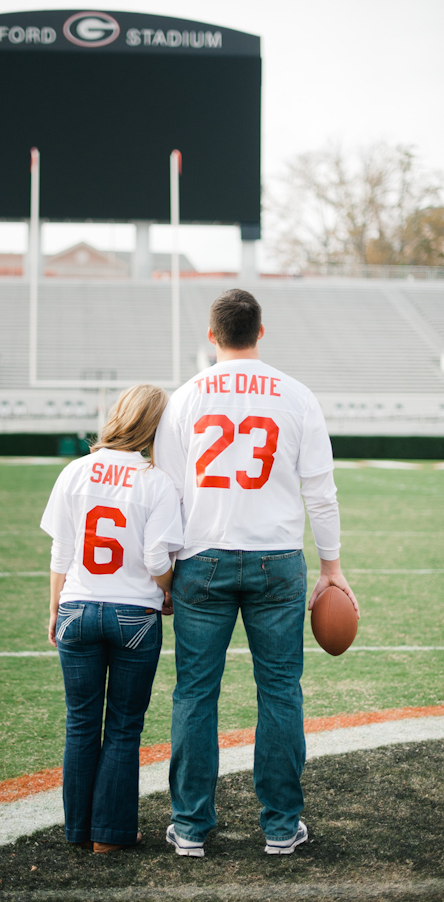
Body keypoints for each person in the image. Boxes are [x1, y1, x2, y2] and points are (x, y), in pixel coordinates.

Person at [154, 288, 359, 858]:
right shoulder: (295, 395)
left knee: (196, 693)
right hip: (276, 560)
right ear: (261, 332)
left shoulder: (187, 397)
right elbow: (320, 492)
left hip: (203, 558)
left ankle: (191, 827)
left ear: (212, 335)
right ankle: (279, 826)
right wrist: (332, 567)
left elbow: (168, 494)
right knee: (280, 693)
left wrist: (166, 573)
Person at [41, 383, 183, 854]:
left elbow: (61, 552)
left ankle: (78, 831)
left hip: (77, 607)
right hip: (134, 617)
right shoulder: (158, 481)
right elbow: (157, 558)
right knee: (124, 726)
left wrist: (55, 609)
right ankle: (111, 835)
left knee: (80, 722)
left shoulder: (75, 472)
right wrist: (167, 592)